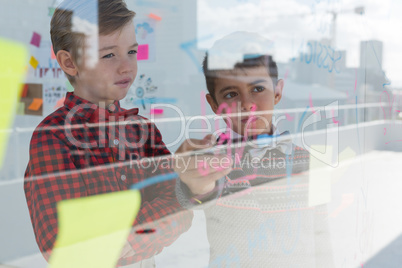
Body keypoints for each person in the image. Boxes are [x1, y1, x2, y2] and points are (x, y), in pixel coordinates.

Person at [23, 1, 231, 267]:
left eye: (132, 51)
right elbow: (72, 251)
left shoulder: (143, 129)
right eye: (109, 55)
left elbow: (183, 211)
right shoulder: (53, 138)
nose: (127, 67)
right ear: (69, 62)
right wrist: (169, 209)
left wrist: (125, 236)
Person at [180, 31, 334, 267]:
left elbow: (322, 237)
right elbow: (189, 198)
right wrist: (187, 183)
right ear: (214, 105)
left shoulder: (310, 161)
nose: (247, 104)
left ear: (278, 92)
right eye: (231, 94)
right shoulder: (212, 161)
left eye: (258, 89)